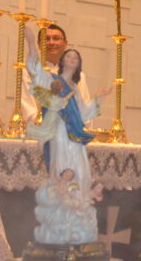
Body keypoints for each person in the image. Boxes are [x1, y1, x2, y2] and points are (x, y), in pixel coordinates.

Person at [25, 31, 111, 193]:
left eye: (76, 58)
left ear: (79, 64)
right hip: (59, 134)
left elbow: (84, 114)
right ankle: (62, 202)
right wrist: (31, 44)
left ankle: (76, 204)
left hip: (74, 136)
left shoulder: (75, 89)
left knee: (79, 171)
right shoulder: (51, 80)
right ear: (63, 61)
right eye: (69, 57)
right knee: (62, 169)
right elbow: (35, 69)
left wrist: (99, 97)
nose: (72, 59)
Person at [21, 23, 93, 124]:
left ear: (65, 43)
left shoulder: (77, 74)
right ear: (38, 43)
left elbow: (85, 109)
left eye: (56, 38)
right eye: (46, 38)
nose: (51, 42)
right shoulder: (28, 71)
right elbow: (28, 109)